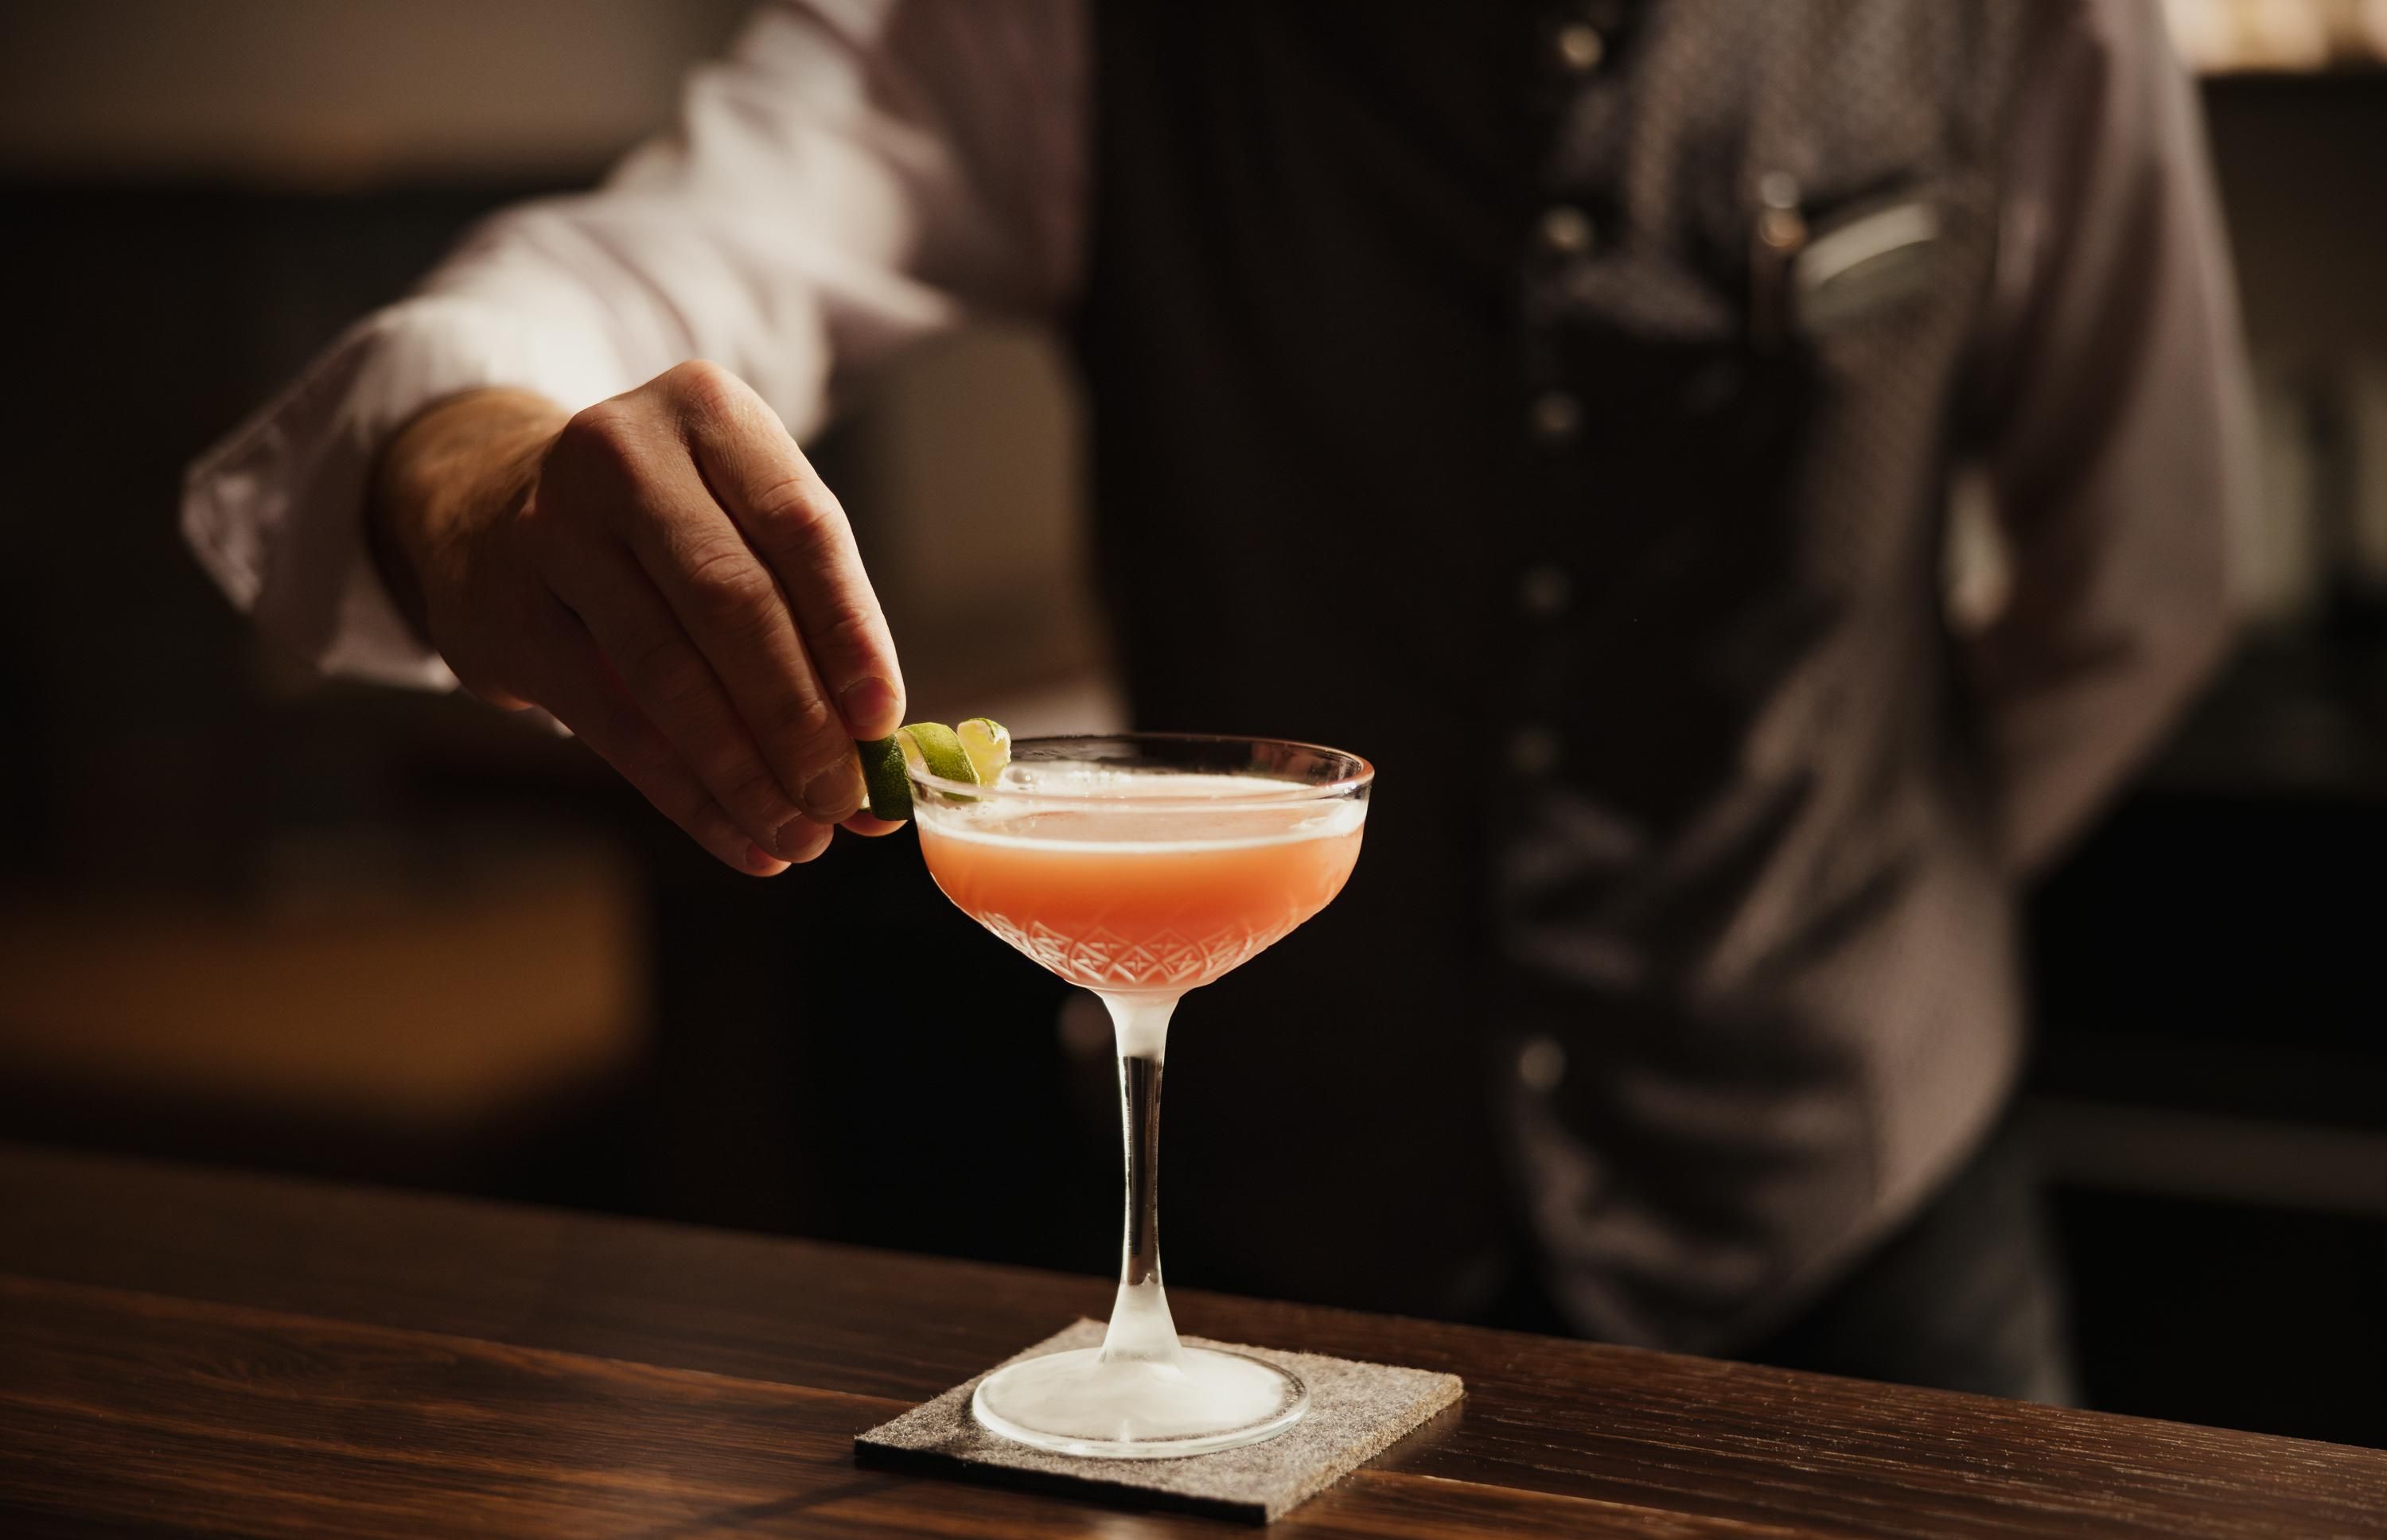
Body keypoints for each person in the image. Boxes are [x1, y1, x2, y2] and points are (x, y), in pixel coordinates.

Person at [183, 2, 2249, 1404]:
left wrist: (1843, 913)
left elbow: (2145, 583)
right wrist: (471, 465)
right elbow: (642, 264)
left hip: (1864, 1247)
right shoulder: (1073, 29)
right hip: (1276, 1236)